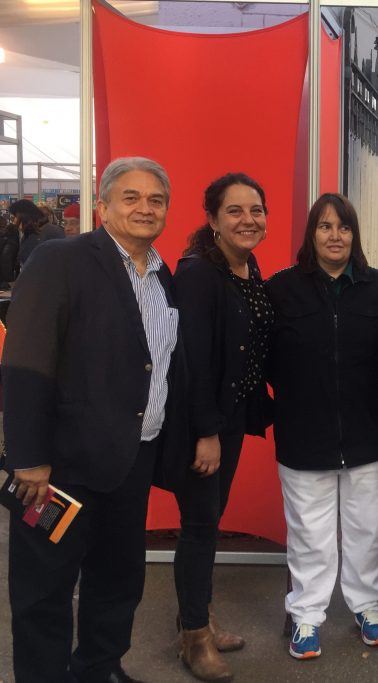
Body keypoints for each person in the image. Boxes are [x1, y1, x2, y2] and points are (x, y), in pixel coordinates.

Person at [3, 156, 187, 683]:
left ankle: (98, 668)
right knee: (45, 587)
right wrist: (29, 459)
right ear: (102, 206)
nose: (145, 208)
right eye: (130, 197)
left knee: (118, 578)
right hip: (59, 471)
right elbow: (24, 362)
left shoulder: (160, 275)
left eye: (156, 200)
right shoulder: (62, 260)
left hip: (130, 462)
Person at [265, 193, 378, 661]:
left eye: (343, 227)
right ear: (311, 234)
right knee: (309, 535)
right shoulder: (281, 288)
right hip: (304, 436)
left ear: (354, 234)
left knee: (367, 529)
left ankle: (368, 606)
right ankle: (306, 615)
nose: (335, 236)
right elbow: (262, 358)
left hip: (370, 435)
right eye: (325, 227)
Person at [172, 172, 274, 682]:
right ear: (212, 219)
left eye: (256, 210)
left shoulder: (247, 268)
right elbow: (192, 361)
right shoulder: (198, 274)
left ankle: (199, 617)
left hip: (230, 419)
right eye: (235, 211)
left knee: (208, 522)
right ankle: (194, 640)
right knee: (199, 527)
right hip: (204, 424)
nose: (247, 220)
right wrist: (206, 431)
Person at [10, 198, 63, 267]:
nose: (14, 221)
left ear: (23, 216)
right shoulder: (29, 233)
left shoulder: (48, 232)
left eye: (15, 217)